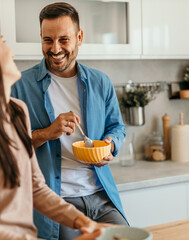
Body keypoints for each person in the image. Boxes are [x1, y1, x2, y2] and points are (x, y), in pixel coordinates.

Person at [0, 18, 108, 240]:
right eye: (2, 42)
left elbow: (36, 188)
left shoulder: (17, 111)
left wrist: (83, 222)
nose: (11, 52)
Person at [11, 2, 128, 240]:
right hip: (56, 200)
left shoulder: (100, 82)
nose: (55, 49)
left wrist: (109, 144)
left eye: (64, 39)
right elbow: (10, 149)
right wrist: (46, 133)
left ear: (79, 37)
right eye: (47, 40)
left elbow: (117, 127)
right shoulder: (20, 86)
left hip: (101, 195)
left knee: (128, 237)